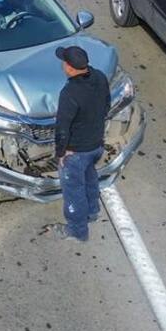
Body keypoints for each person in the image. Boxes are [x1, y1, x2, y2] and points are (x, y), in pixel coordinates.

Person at [44, 45, 112, 242]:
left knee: (73, 191)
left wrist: (61, 153)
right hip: (96, 144)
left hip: (77, 152)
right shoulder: (99, 76)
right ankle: (92, 212)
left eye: (64, 61)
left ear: (70, 68)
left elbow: (62, 127)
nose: (63, 64)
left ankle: (77, 230)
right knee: (90, 178)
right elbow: (106, 105)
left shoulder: (70, 92)